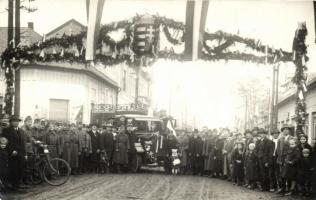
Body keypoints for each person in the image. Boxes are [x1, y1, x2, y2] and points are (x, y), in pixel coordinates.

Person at [2, 116, 28, 190]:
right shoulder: (6, 131)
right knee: (13, 169)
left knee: (21, 168)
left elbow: (23, 143)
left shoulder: (21, 131)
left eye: (17, 121)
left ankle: (19, 184)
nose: (16, 122)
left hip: (21, 153)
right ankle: (14, 186)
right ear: (11, 122)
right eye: (14, 121)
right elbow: (5, 142)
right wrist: (11, 151)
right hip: (12, 154)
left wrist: (25, 154)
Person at [276, 124, 293, 194]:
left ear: (289, 131)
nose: (285, 131)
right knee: (281, 174)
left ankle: (289, 189)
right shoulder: (280, 139)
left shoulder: (292, 138)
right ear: (282, 131)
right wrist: (279, 158)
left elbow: (293, 149)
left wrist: (289, 158)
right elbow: (278, 149)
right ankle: (282, 188)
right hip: (281, 159)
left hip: (289, 158)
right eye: (284, 129)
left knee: (288, 173)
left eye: (287, 129)